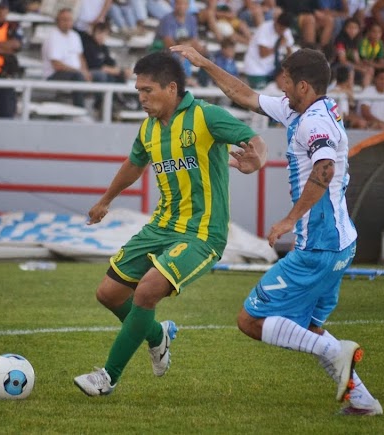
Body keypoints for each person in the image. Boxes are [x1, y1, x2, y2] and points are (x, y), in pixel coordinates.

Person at [170, 44, 383, 415]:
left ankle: (339, 351)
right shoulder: (308, 109)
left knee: (250, 319)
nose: (279, 87)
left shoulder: (314, 122)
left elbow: (325, 169)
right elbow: (245, 95)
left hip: (319, 245)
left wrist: (289, 219)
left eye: (285, 80)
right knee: (309, 328)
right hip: (340, 243)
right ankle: (363, 400)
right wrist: (205, 63)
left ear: (302, 85)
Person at [73, 51, 268, 396]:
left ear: (172, 87)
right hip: (161, 227)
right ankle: (157, 336)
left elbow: (254, 141)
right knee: (108, 294)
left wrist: (257, 158)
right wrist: (105, 200)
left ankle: (108, 377)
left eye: (148, 90)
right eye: (138, 91)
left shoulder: (206, 117)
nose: (141, 98)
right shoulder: (148, 128)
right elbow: (134, 165)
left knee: (146, 291)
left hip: (203, 233)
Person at [42, 8, 92, 107]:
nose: (67, 22)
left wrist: (85, 71)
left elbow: (80, 57)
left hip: (75, 73)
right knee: (78, 77)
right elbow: (57, 65)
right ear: (57, 21)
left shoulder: (75, 36)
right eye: (64, 19)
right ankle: (79, 109)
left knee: (100, 76)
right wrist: (79, 71)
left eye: (69, 20)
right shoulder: (53, 37)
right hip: (54, 75)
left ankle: (103, 109)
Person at [242, 11, 294, 89]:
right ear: (276, 22)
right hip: (256, 69)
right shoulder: (264, 28)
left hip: (273, 69)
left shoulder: (286, 31)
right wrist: (279, 44)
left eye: (284, 29)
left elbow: (290, 52)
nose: (281, 31)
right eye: (280, 28)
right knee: (260, 94)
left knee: (287, 82)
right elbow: (262, 54)